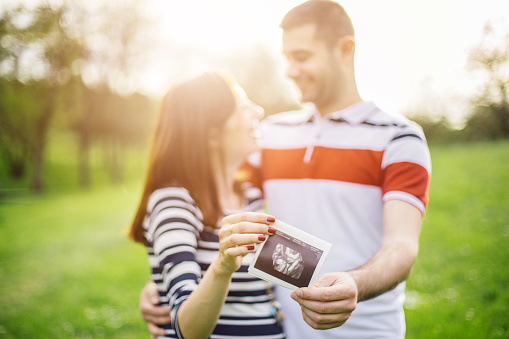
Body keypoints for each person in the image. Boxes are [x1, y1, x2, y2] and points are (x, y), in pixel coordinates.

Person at [140, 1, 431, 338]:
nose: (290, 70)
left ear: (345, 50)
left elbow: (402, 247)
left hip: (368, 332)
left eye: (302, 56)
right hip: (287, 332)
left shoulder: (399, 138)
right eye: (287, 57)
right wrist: (164, 279)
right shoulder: (270, 138)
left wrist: (355, 282)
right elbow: (210, 205)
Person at [128, 72, 286, 338]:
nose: (257, 111)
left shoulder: (251, 197)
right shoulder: (174, 203)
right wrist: (223, 266)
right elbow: (188, 330)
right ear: (212, 135)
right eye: (243, 107)